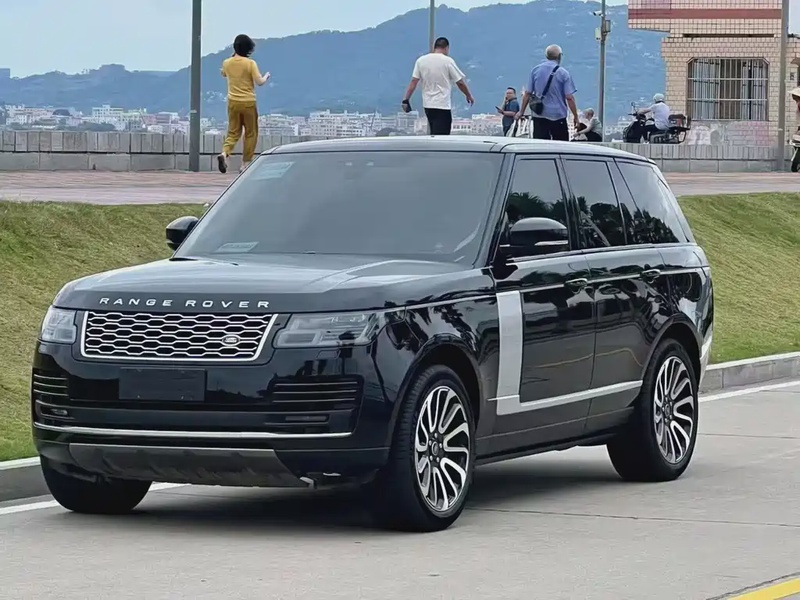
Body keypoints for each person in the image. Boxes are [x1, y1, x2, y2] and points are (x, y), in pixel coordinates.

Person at [217, 34, 271, 174]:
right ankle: (245, 164)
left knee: (233, 132)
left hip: (233, 102)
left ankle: (224, 153)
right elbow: (259, 82)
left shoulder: (227, 62)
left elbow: (224, 73)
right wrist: (266, 76)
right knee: (251, 133)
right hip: (248, 102)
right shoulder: (250, 63)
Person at [402, 36, 475, 135]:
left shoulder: (421, 61)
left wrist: (406, 99)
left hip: (428, 105)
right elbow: (460, 82)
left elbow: (414, 82)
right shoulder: (448, 61)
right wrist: (468, 95)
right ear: (447, 48)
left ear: (434, 47)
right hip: (442, 104)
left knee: (434, 132)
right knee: (442, 136)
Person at [516, 44, 579, 141]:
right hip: (558, 116)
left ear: (546, 56)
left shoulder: (535, 70)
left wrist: (521, 112)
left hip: (539, 115)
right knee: (560, 146)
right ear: (560, 56)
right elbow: (569, 97)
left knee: (541, 145)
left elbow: (528, 93)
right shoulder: (563, 73)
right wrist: (575, 116)